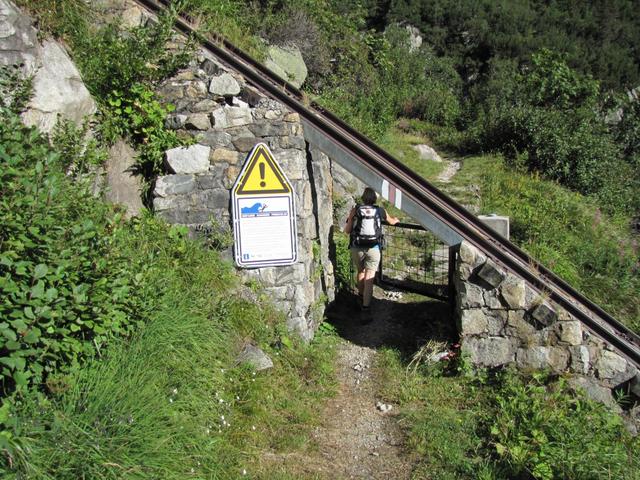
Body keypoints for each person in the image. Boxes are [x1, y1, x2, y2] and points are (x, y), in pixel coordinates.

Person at [344, 187, 399, 317]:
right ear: (375, 198)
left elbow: (347, 230)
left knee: (361, 272)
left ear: (363, 197)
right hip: (373, 248)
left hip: (357, 247)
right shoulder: (380, 210)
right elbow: (391, 221)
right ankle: (366, 309)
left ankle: (360, 297)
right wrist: (395, 220)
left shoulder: (356, 209)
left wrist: (351, 219)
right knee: (369, 277)